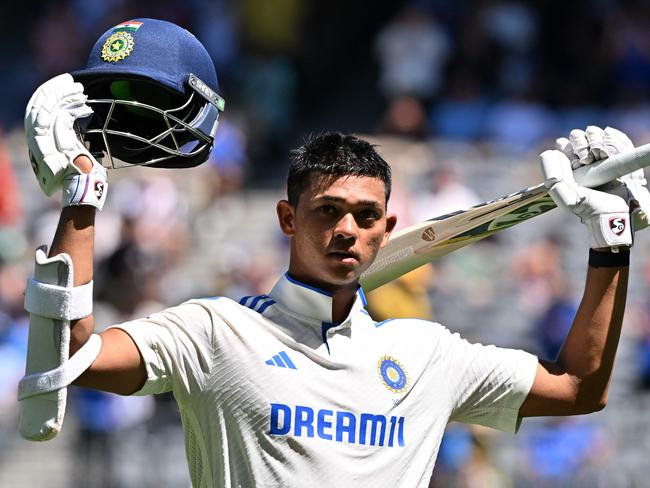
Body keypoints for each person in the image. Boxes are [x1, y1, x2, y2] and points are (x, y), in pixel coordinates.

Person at [20, 18, 650, 488]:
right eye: (328, 212)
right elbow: (72, 355)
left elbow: (578, 388)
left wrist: (610, 242)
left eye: (366, 216)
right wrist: (83, 192)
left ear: (388, 228)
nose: (348, 229)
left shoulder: (428, 355)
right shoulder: (215, 332)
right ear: (288, 219)